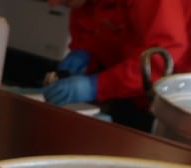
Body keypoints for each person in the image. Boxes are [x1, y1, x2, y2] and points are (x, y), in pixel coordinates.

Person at [43, 0, 191, 131]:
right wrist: (85, 53)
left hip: (177, 101)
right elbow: (95, 33)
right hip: (131, 93)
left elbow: (161, 56)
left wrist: (97, 86)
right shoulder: (83, 3)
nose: (53, 4)